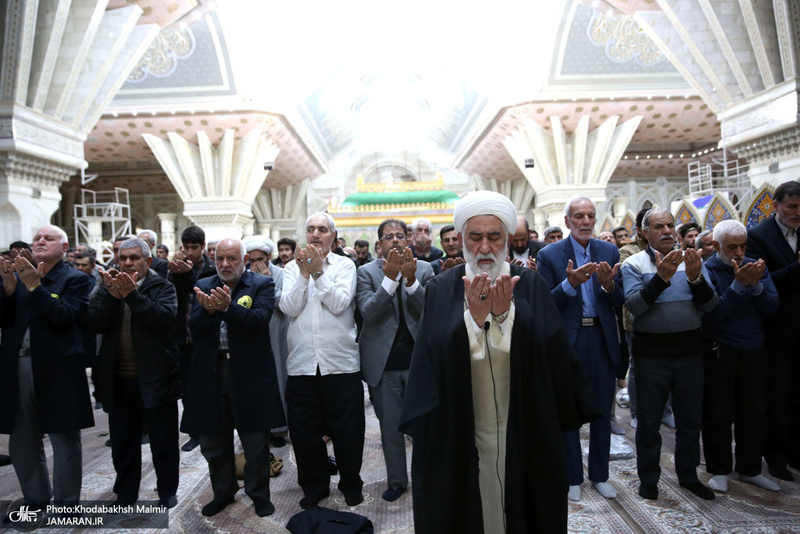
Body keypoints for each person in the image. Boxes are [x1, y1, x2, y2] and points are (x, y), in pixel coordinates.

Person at [399, 191, 600, 533]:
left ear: (507, 241)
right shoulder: (442, 288)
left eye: (494, 237)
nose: (485, 247)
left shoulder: (532, 285)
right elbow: (431, 360)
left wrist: (506, 318)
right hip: (462, 425)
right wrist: (474, 323)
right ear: (461, 240)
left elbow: (550, 357)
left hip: (521, 423)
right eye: (475, 237)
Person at [182, 238, 284, 518]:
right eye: (219, 259)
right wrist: (209, 311)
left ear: (245, 261)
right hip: (211, 374)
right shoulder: (204, 285)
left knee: (255, 442)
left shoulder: (261, 284)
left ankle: (259, 495)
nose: (225, 265)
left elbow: (258, 321)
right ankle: (223, 492)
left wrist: (227, 307)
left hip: (249, 374)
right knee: (214, 442)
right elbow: (195, 329)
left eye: (232, 259)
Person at [621, 207, 718, 501]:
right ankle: (649, 478)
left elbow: (711, 306)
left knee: (689, 421)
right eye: (658, 226)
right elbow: (634, 306)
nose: (666, 231)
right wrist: (661, 278)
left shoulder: (693, 260)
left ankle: (688, 476)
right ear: (644, 232)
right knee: (649, 422)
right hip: (652, 357)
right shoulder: (633, 264)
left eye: (669, 225)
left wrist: (695, 278)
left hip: (689, 354)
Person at [0, 225, 94, 509]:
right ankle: (36, 498)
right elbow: (5, 321)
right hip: (18, 365)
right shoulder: (15, 277)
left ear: (64, 248)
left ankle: (66, 504)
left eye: (48, 238)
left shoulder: (75, 279)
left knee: (64, 437)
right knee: (21, 440)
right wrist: (7, 289)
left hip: (57, 367)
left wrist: (35, 286)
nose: (40, 241)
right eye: (37, 238)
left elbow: (64, 316)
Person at [537, 195, 623, 502]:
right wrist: (569, 285)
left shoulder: (609, 250)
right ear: (568, 222)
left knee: (601, 409)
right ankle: (572, 476)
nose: (586, 221)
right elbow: (544, 303)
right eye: (579, 216)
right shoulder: (549, 255)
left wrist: (610, 286)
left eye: (590, 216)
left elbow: (619, 301)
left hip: (600, 338)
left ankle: (600, 475)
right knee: (568, 411)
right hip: (568, 341)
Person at [280, 213, 365, 509]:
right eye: (311, 229)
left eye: (322, 230)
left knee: (349, 431)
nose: (316, 234)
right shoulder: (290, 269)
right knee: (305, 433)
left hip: (341, 363)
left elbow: (340, 303)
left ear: (333, 236)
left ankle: (351, 484)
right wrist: (304, 275)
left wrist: (318, 272)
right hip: (302, 364)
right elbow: (289, 308)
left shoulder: (344, 266)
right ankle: (314, 488)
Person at [87, 238, 181, 507]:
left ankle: (166, 491)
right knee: (123, 442)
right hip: (118, 380)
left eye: (134, 258)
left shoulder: (162, 286)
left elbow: (161, 319)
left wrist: (132, 295)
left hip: (156, 378)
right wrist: (112, 296)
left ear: (148, 262)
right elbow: (95, 323)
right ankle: (126, 493)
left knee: (163, 441)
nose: (127, 263)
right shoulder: (108, 287)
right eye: (123, 258)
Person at [356, 218, 434, 502]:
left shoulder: (425, 269)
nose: (396, 240)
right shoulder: (365, 273)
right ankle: (397, 481)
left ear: (409, 240)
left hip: (419, 363)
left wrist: (410, 280)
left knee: (424, 428)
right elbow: (368, 311)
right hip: (384, 364)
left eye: (401, 235)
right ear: (379, 245)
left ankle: (426, 478)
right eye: (389, 237)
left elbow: (430, 311)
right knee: (391, 430)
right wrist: (390, 280)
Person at [701, 220, 780, 493]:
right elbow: (713, 317)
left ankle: (750, 469)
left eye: (743, 245)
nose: (738, 252)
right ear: (715, 246)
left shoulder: (756, 267)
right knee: (718, 412)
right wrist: (738, 286)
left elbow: (772, 309)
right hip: (720, 350)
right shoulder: (707, 269)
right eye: (731, 247)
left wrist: (755, 286)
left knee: (754, 412)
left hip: (754, 349)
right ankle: (719, 469)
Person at [746, 179, 800, 481]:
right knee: (777, 396)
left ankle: (796, 450)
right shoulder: (758, 236)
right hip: (776, 331)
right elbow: (761, 281)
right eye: (791, 206)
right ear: (776, 205)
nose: (797, 212)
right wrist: (797, 268)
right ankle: (776, 457)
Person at [168, 226, 216, 452]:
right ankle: (193, 431)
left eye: (194, 247)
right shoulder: (177, 268)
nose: (189, 252)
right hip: (182, 335)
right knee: (186, 385)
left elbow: (199, 292)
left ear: (202, 247)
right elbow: (172, 295)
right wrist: (175, 274)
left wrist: (186, 275)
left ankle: (208, 427)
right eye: (185, 247)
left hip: (204, 335)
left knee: (205, 385)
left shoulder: (210, 269)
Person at [243, 235, 290, 448]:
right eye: (251, 260)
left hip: (276, 332)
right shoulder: (244, 276)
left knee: (278, 379)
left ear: (269, 257)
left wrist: (267, 282)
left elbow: (285, 304)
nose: (256, 264)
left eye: (260, 259)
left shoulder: (282, 274)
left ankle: (278, 429)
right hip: (252, 335)